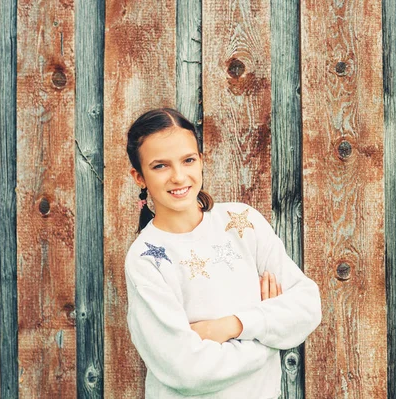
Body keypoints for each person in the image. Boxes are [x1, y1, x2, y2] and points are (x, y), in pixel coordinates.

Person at [124, 107, 322, 398]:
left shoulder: (243, 223)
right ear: (139, 176)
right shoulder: (146, 259)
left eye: (188, 160)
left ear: (201, 161)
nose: (179, 176)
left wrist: (233, 325)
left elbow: (307, 306)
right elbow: (186, 369)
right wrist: (268, 339)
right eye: (160, 166)